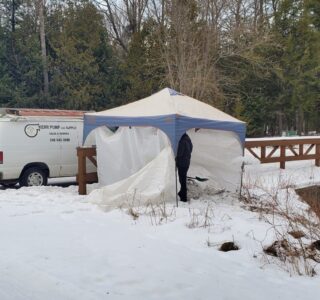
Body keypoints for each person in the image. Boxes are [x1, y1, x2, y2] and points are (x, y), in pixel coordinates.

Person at [176, 132, 193, 202]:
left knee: (182, 180)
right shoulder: (188, 139)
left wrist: (175, 157)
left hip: (182, 163)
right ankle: (182, 194)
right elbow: (191, 149)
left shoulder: (182, 140)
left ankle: (183, 197)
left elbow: (179, 153)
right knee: (183, 179)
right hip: (186, 162)